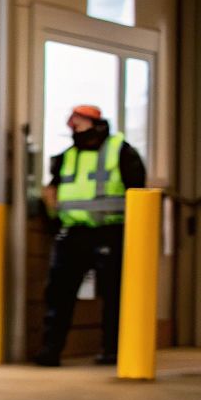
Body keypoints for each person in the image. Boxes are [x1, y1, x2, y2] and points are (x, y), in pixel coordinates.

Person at [35, 104, 147, 366]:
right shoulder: (66, 157)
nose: (74, 128)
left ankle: (112, 350)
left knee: (114, 294)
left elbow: (139, 193)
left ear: (96, 124)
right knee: (59, 293)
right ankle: (50, 350)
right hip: (73, 233)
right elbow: (52, 191)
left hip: (111, 231)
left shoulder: (121, 152)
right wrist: (54, 223)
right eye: (71, 124)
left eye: (79, 122)